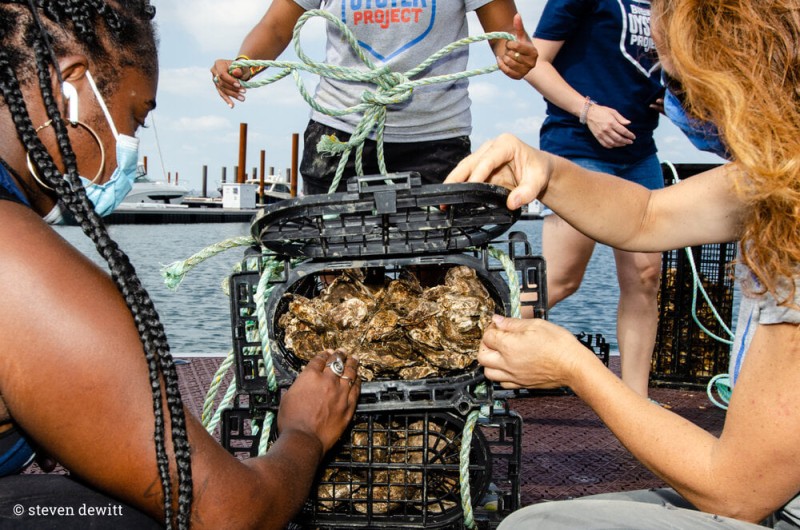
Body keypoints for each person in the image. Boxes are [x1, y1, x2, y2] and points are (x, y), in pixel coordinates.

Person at [0, 2, 359, 529]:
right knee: (141, 515)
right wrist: (304, 432)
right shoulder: (16, 261)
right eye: (135, 117)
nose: (131, 145)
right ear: (72, 87)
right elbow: (231, 515)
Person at [445, 0, 800, 526]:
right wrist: (545, 168)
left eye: (682, 89)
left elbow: (740, 492)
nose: (681, 109)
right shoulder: (780, 174)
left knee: (530, 524)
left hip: (768, 499)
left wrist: (575, 366)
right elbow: (646, 215)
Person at [210, 0, 537, 195]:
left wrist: (515, 55)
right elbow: (276, 27)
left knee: (435, 283)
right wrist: (243, 65)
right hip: (338, 137)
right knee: (337, 278)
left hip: (437, 140)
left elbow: (507, 36)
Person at [522, 0, 667, 397]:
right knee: (563, 278)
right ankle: (476, 355)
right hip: (578, 144)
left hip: (639, 153)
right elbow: (535, 62)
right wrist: (588, 111)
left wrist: (673, 98)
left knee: (645, 276)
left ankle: (636, 401)